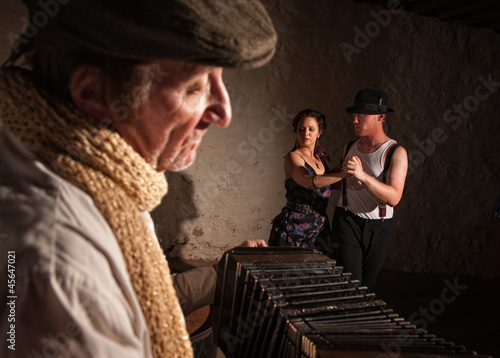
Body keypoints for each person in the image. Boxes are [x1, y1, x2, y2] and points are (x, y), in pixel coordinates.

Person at [0, 1, 276, 357]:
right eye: (194, 86)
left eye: (219, 79)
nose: (224, 112)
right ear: (95, 92)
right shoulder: (59, 264)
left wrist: (221, 274)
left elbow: (133, 294)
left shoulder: (99, 174)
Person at [331, 89, 408, 292]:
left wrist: (362, 175)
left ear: (380, 117)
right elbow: (340, 181)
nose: (354, 120)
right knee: (350, 285)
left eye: (362, 115)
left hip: (379, 227)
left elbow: (394, 197)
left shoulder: (395, 152)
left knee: (366, 288)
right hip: (346, 220)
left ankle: (359, 322)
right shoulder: (349, 146)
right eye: (354, 116)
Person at [269, 108, 350, 251]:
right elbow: (309, 181)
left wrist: (350, 169)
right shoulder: (294, 157)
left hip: (319, 226)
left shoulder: (320, 159)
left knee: (319, 270)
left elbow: (327, 185)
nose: (306, 133)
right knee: (292, 271)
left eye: (311, 129)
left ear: (320, 132)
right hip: (295, 226)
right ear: (296, 132)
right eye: (301, 129)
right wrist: (345, 174)